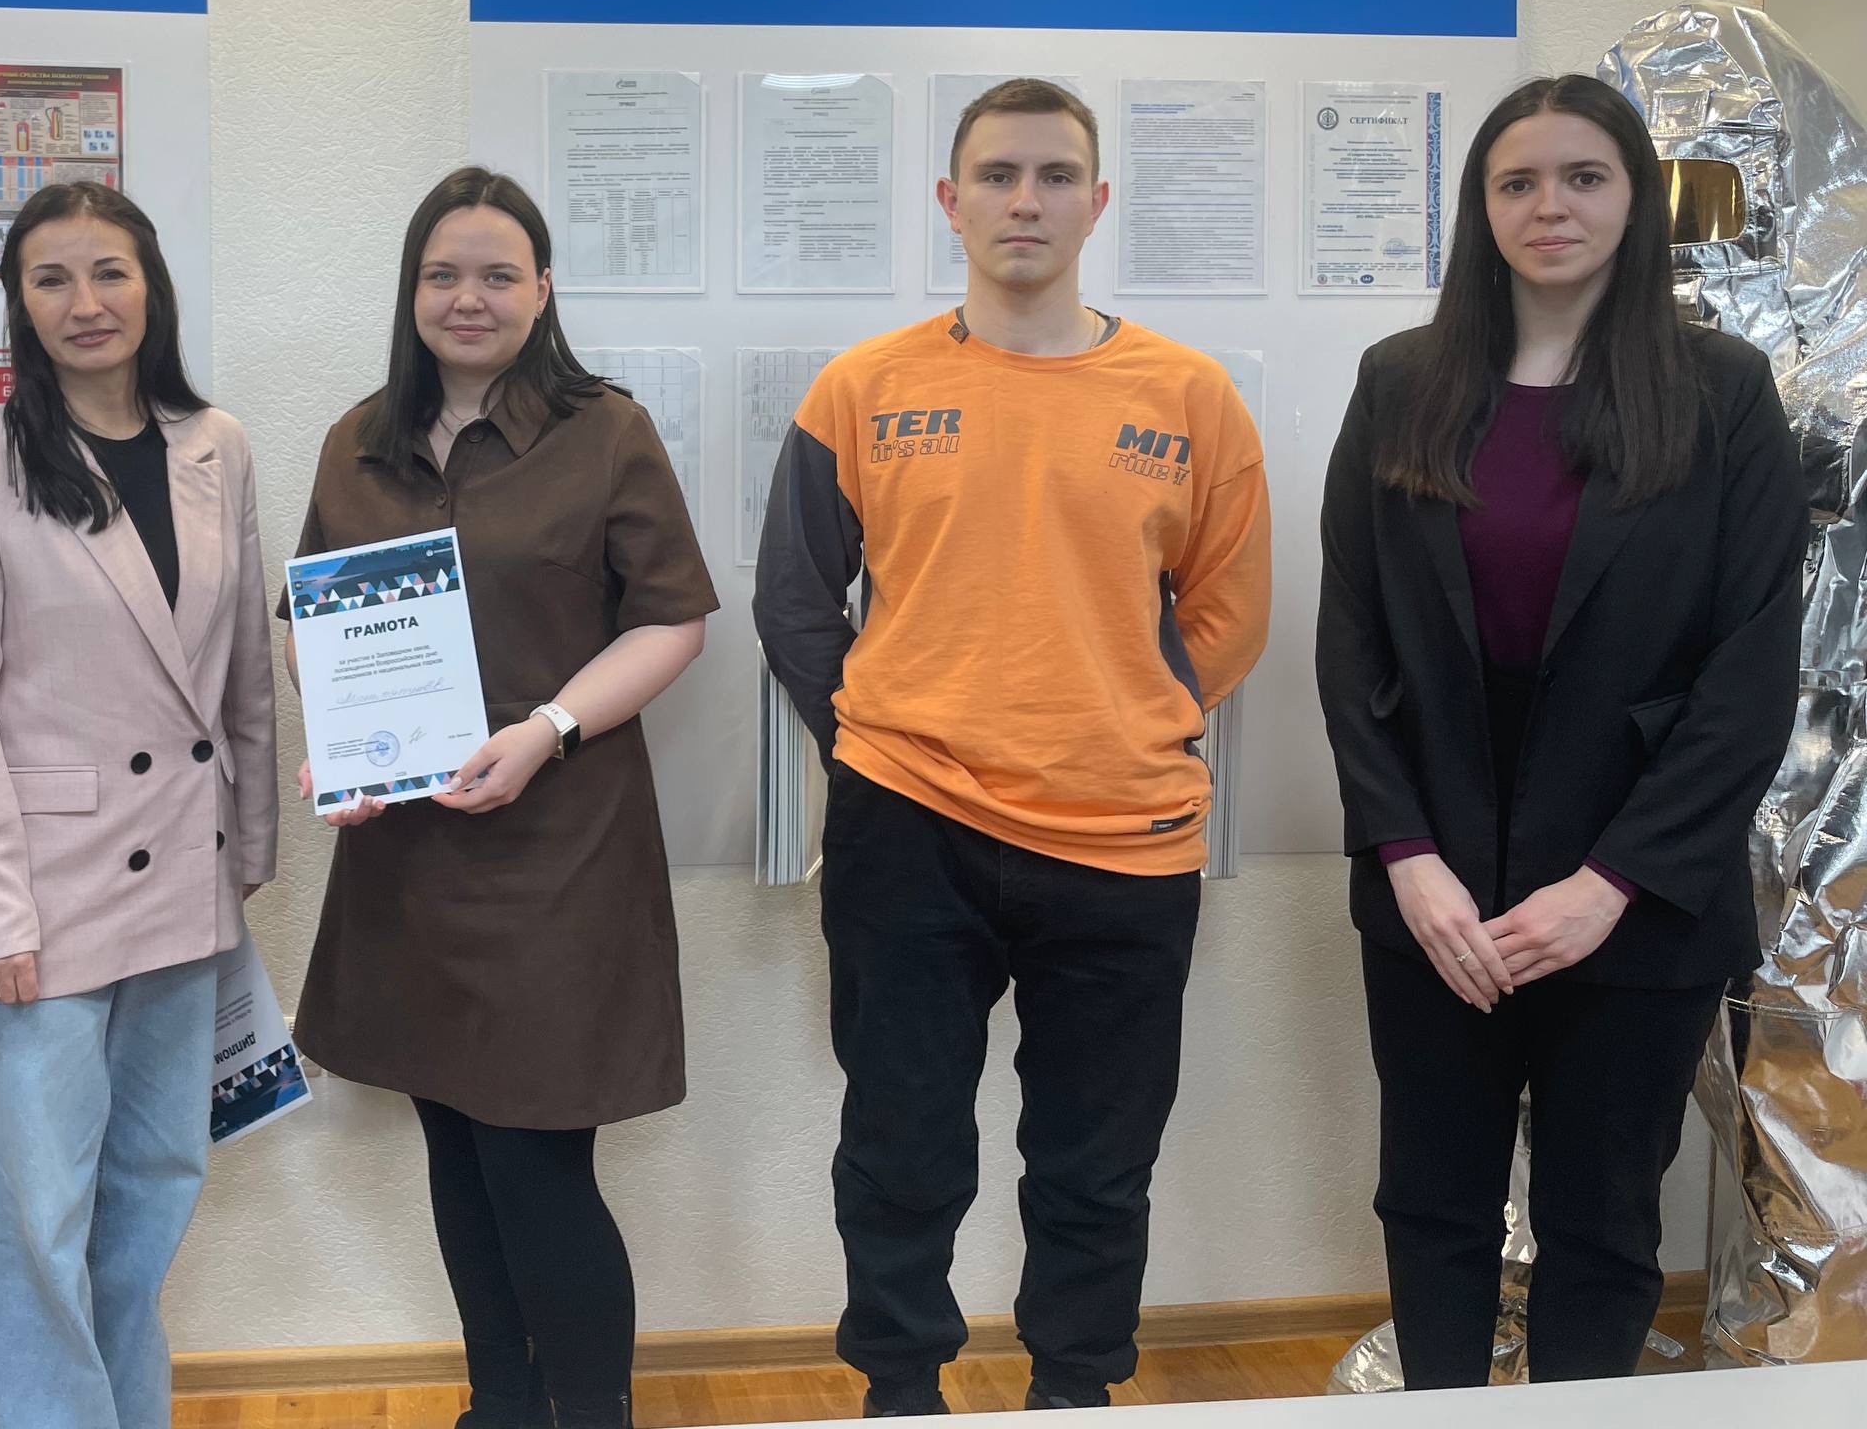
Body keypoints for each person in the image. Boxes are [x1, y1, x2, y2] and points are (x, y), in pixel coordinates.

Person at [756, 78, 1272, 1415]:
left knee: (1097, 1166)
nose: (1023, 201)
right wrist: (877, 738)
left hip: (1125, 841)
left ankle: (1071, 1393)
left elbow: (1229, 609)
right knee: (900, 1147)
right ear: (950, 201)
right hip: (908, 828)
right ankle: (900, 1391)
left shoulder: (1190, 397)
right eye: (996, 175)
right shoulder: (864, 388)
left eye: (1052, 176)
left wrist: (1123, 712)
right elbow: (796, 600)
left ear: (1098, 202)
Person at [1316, 75, 1803, 1387]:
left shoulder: (1720, 392)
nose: (1551, 206)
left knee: (1601, 1224)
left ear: (1635, 200)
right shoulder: (1400, 383)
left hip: (1636, 895)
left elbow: (1750, 671)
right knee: (1433, 1207)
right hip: (1435, 894)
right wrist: (1406, 858)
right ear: (1480, 208)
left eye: (1584, 177)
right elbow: (1352, 642)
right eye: (1517, 181)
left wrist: (1610, 886)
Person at [283, 167, 716, 1429]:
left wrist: (546, 730)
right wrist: (340, 753)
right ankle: (500, 1407)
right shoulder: (357, 440)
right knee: (458, 1151)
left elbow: (672, 621)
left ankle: (589, 1413)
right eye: (442, 275)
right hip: (409, 859)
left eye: (495, 275)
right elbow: (316, 622)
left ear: (542, 289)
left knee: (536, 1162)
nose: (466, 298)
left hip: (558, 851)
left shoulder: (605, 430)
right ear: (411, 290)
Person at [0, 179, 276, 1427]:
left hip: (185, 879)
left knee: (157, 1186)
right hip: (39, 899)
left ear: (151, 286)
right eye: (51, 279)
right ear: (19, 303)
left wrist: (250, 845)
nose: (85, 302)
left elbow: (240, 670)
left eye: (109, 272)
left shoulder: (216, 445)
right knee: (38, 1221)